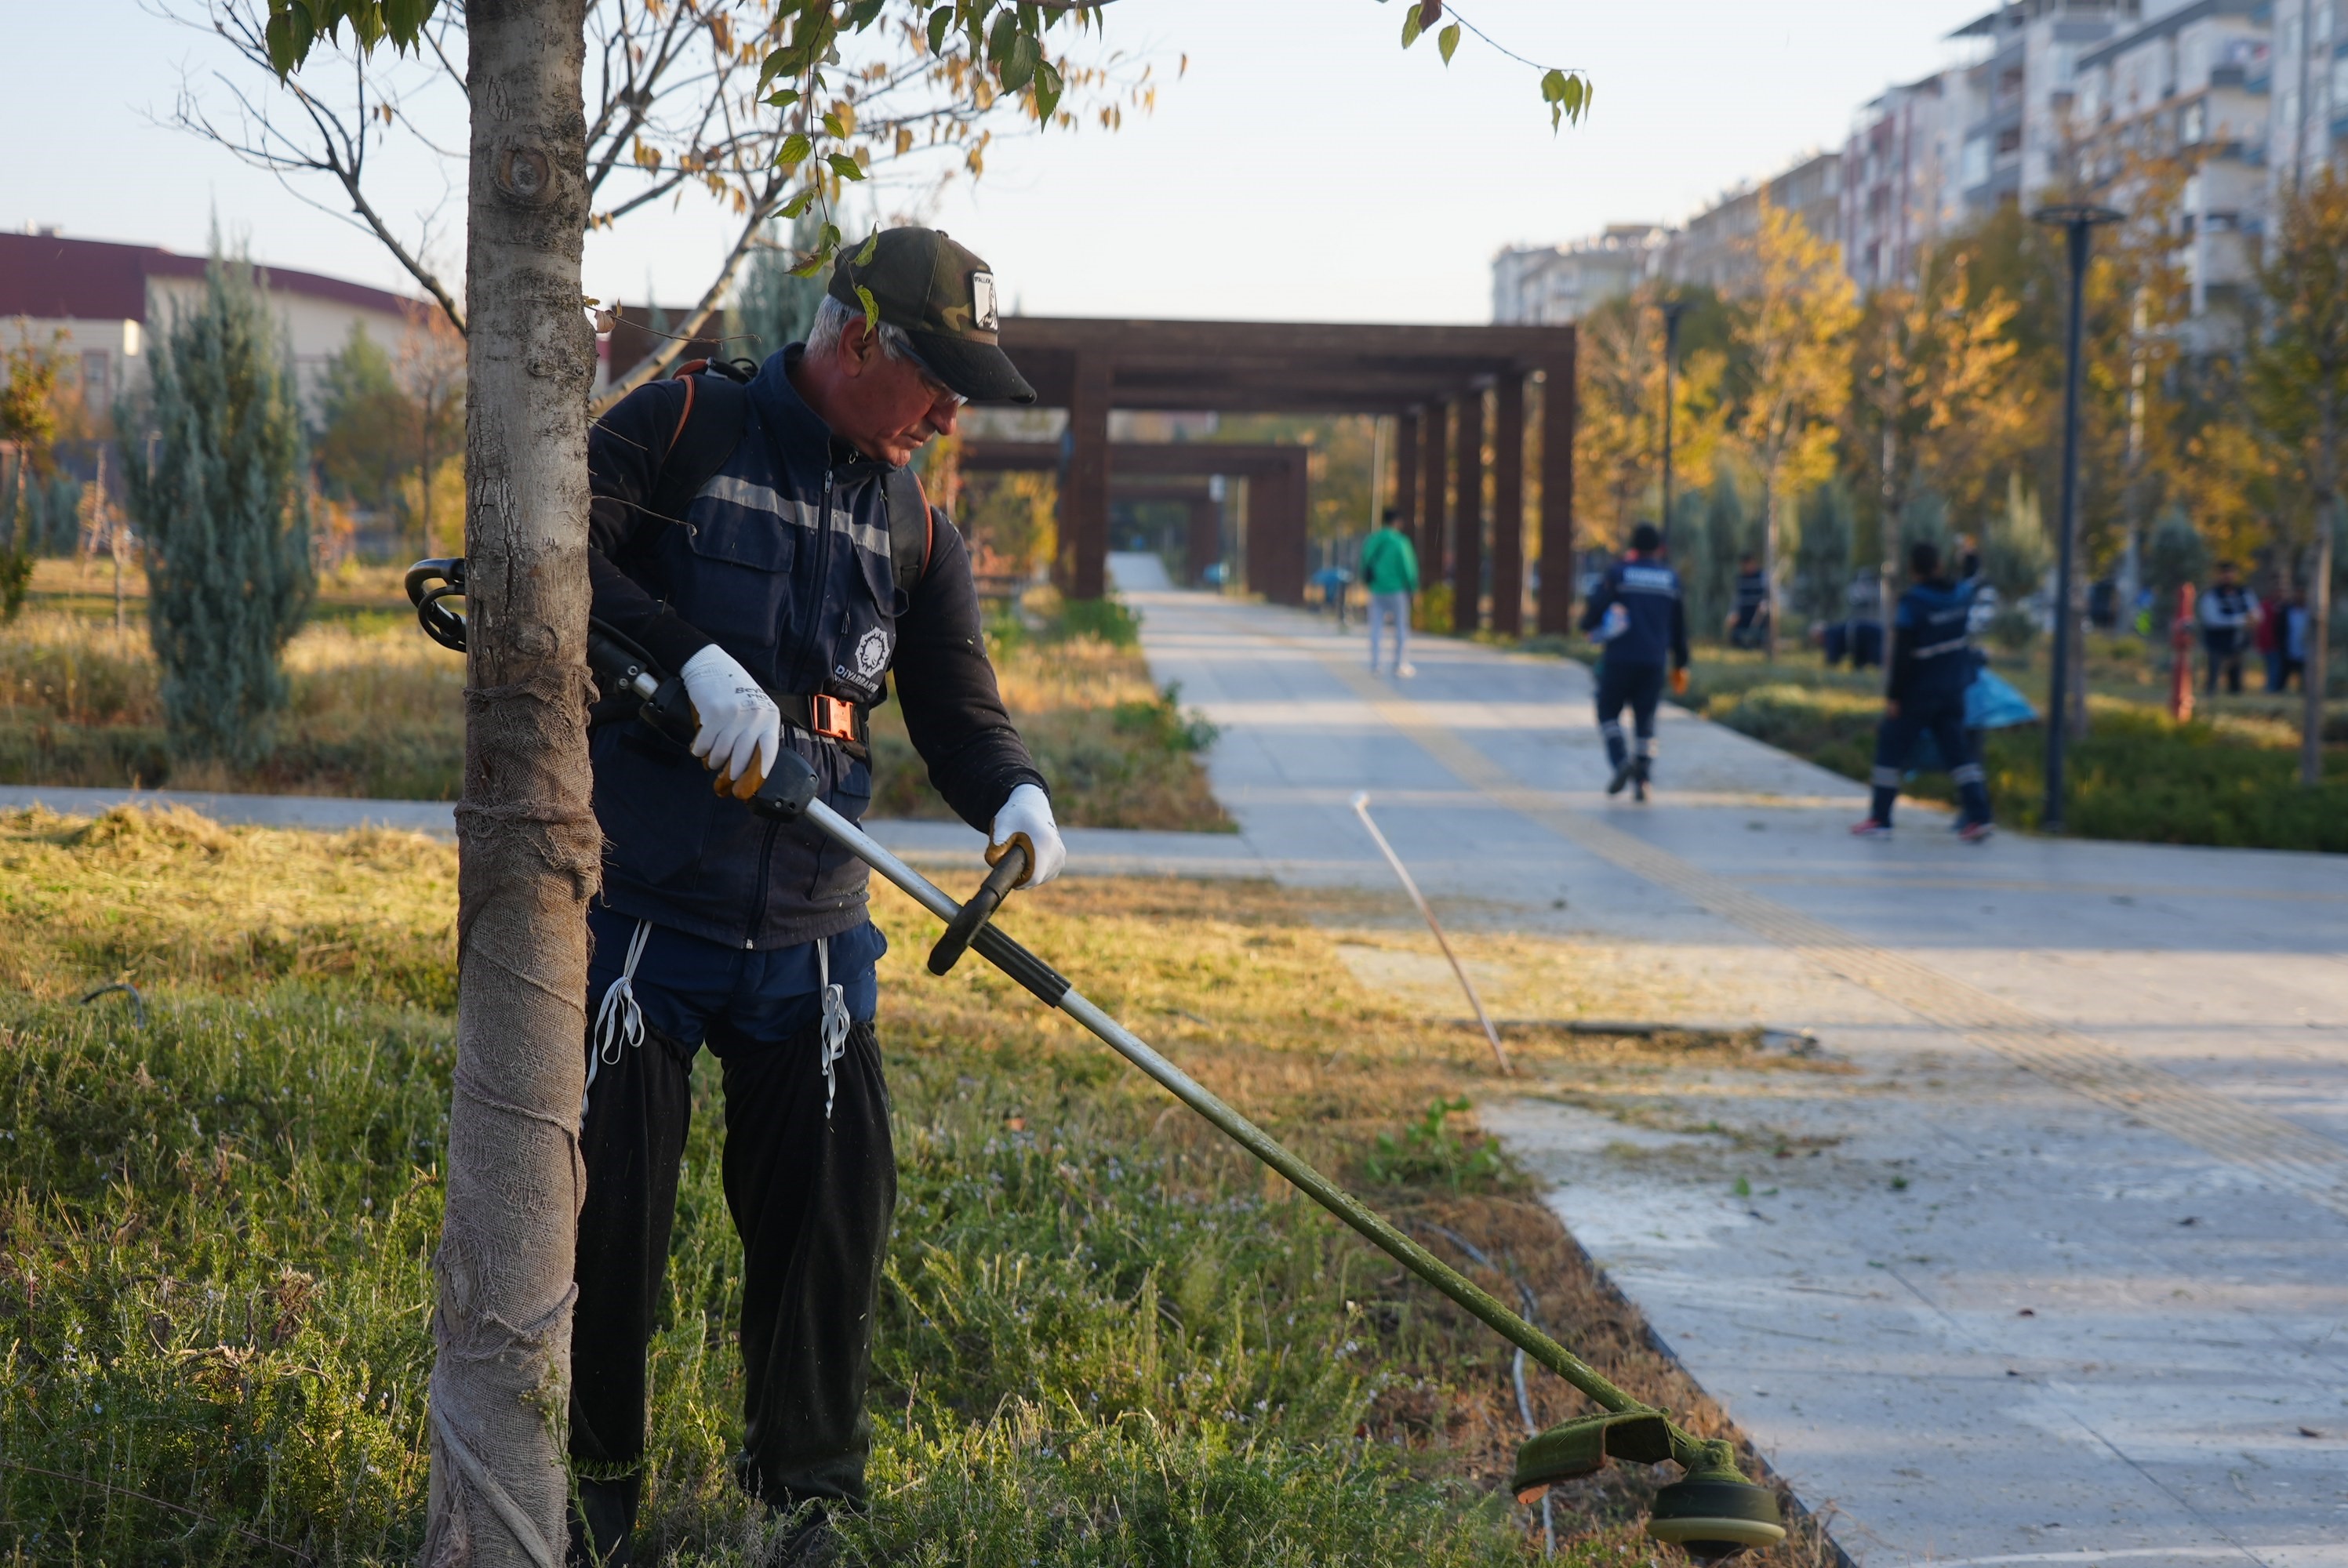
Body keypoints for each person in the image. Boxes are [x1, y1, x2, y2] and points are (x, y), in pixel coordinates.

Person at [572, 227, 1067, 1565]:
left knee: (830, 1222)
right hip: (641, 914)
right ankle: (589, 1494)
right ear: (858, 339)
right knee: (605, 1214)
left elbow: (955, 704)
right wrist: (685, 660)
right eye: (940, 382)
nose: (953, 414)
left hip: (814, 935)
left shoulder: (913, 523)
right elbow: (543, 553)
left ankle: (804, 1503)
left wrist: (1011, 792)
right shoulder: (680, 422)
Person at [1852, 539, 1992, 843]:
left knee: (1890, 750)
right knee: (1960, 755)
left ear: (1914, 570)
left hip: (1918, 695)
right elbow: (1973, 579)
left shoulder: (1913, 603)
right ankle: (1980, 817)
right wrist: (1970, 555)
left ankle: (1881, 819)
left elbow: (1902, 657)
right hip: (1953, 692)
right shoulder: (1959, 595)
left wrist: (1894, 697)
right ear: (1939, 565)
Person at [1579, 521, 1689, 800]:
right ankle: (1643, 782)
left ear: (1633, 547)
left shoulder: (1620, 573)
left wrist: (1587, 625)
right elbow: (1679, 626)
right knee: (1646, 722)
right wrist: (1681, 662)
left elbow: (1598, 605)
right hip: (1654, 661)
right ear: (1659, 549)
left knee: (1607, 711)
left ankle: (1620, 761)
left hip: (1620, 658)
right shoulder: (1671, 579)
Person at [1360, 506, 1420, 677]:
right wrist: (1413, 587)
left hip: (1377, 589)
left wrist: (1368, 583)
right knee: (1401, 626)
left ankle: (1375, 664)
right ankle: (1400, 664)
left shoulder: (1373, 539)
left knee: (1376, 627)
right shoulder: (1400, 542)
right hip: (1397, 590)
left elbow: (1364, 562)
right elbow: (1408, 568)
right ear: (1397, 522)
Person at [2198, 561, 2259, 695]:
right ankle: (2211, 695)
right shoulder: (2212, 595)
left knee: (2236, 678)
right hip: (2217, 642)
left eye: (2231, 573)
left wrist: (2252, 618)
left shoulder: (2244, 592)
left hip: (2239, 643)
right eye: (2224, 573)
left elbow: (2256, 613)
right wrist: (2241, 620)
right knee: (2214, 674)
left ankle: (2235, 695)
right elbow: (2212, 620)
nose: (2228, 576)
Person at [1727, 553, 1769, 650]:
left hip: (1758, 609)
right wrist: (1733, 613)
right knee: (1735, 624)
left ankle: (1758, 642)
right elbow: (1736, 598)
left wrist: (1762, 605)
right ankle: (1741, 644)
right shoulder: (1741, 578)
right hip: (1744, 610)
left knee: (1761, 616)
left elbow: (1767, 594)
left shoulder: (1762, 576)